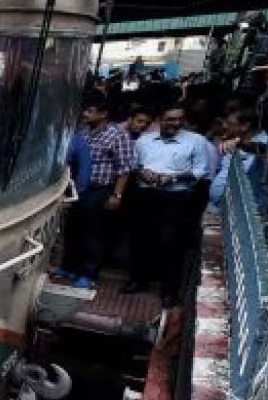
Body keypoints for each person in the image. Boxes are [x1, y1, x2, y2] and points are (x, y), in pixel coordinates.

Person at [125, 105, 210, 307]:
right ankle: (138, 281)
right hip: (145, 195)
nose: (176, 123)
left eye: (180, 119)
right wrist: (142, 172)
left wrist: (174, 177)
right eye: (171, 119)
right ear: (159, 120)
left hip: (175, 198)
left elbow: (201, 171)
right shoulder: (145, 140)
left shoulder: (196, 141)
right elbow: (133, 164)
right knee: (140, 239)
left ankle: (169, 291)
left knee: (171, 244)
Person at [58, 94, 133, 288]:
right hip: (77, 188)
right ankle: (69, 268)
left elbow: (124, 169)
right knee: (73, 229)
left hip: (100, 189)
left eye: (90, 111)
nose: (85, 114)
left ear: (104, 114)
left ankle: (88, 273)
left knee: (93, 233)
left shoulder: (118, 135)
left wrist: (117, 195)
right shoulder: (81, 131)